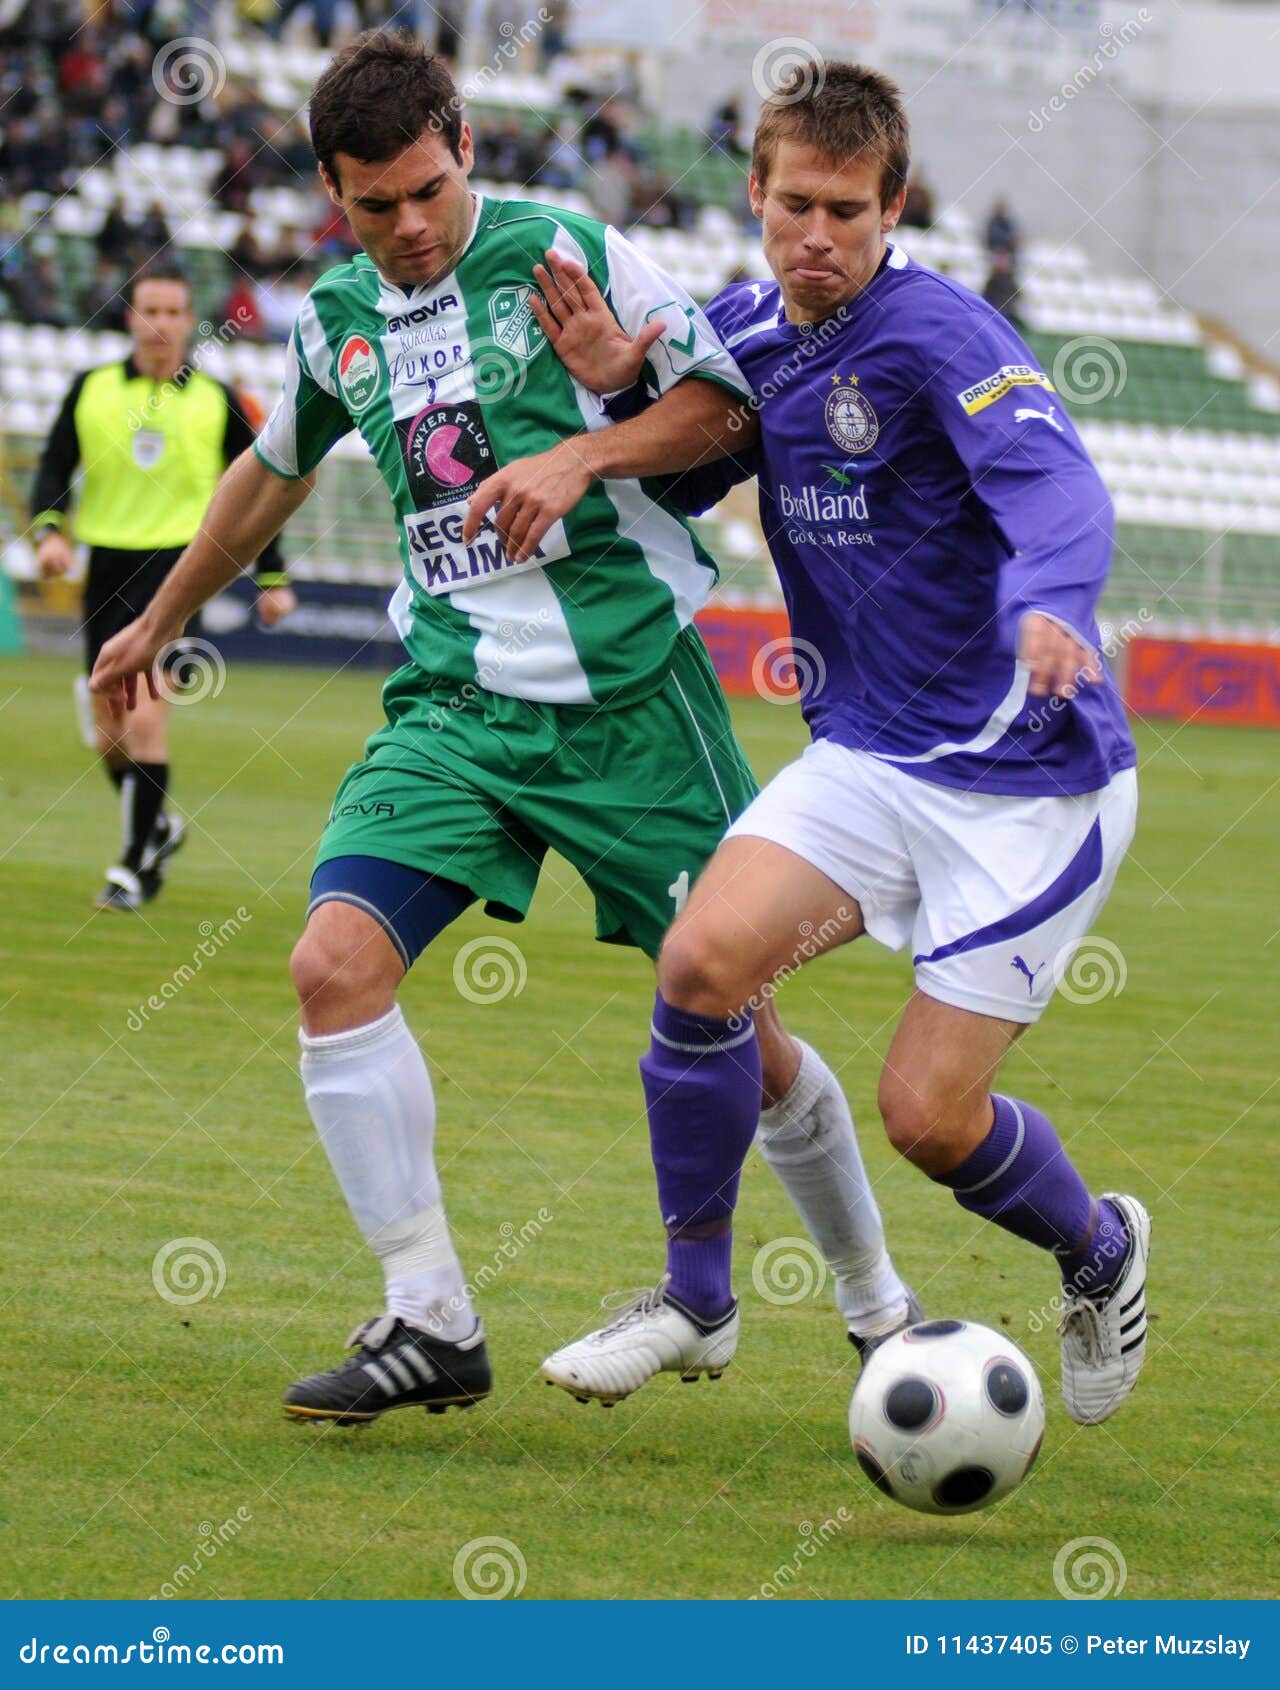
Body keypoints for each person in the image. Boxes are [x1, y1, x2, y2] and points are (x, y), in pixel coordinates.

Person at [90, 32, 915, 1427]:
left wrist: (585, 448)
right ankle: (431, 1318)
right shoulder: (338, 312)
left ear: (464, 147)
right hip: (456, 711)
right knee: (330, 965)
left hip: (629, 711)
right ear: (332, 199)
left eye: (426, 189)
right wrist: (157, 619)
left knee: (738, 1029)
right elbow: (266, 476)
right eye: (373, 205)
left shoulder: (568, 251)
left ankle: (877, 1304)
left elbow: (728, 410)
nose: (408, 228)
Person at [465, 62, 1150, 1426]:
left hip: (1026, 778)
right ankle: (697, 1302)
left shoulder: (943, 334)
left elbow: (1055, 484)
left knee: (929, 1120)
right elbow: (694, 456)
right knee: (703, 963)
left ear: (892, 206)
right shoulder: (742, 334)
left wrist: (1052, 605)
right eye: (793, 207)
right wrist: (615, 391)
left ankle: (1101, 1249)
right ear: (758, 198)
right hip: (869, 761)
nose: (816, 236)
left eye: (846, 209)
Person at [32, 264, 296, 912]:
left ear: (189, 322)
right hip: (106, 571)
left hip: (180, 572)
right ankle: (157, 827)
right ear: (130, 317)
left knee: (148, 714)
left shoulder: (219, 400)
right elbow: (54, 467)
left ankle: (133, 867)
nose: (161, 324)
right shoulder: (89, 390)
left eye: (174, 312)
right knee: (108, 726)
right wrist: (49, 533)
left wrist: (273, 575)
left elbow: (264, 488)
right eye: (150, 310)